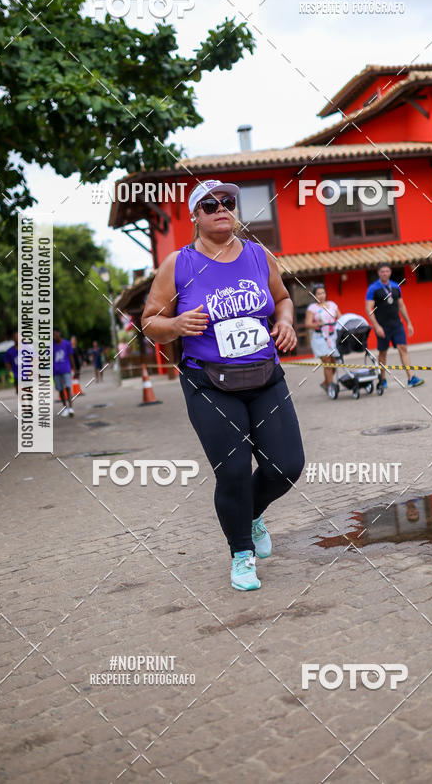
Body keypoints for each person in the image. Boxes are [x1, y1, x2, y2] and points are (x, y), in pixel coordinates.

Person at [141, 178, 305, 592]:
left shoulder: (258, 255)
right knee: (233, 472)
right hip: (209, 382)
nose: (221, 209)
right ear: (195, 217)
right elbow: (150, 321)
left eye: (227, 202)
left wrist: (285, 322)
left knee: (286, 467)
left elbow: (282, 298)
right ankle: (241, 553)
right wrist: (176, 324)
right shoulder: (178, 264)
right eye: (210, 205)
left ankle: (251, 514)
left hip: (264, 375)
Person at [365, 262, 424, 389]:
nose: (385, 273)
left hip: (397, 325)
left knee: (403, 348)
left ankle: (411, 378)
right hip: (382, 326)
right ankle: (382, 379)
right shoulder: (373, 288)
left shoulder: (395, 286)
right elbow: (369, 309)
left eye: (387, 271)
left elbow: (401, 306)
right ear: (378, 273)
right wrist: (377, 326)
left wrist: (409, 323)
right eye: (382, 271)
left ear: (390, 272)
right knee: (383, 353)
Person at [304, 284, 340, 392]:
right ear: (314, 295)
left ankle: (326, 383)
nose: (321, 295)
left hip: (333, 337)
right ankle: (331, 388)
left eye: (323, 293)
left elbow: (340, 317)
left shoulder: (332, 305)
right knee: (327, 363)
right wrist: (318, 324)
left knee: (333, 363)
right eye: (318, 294)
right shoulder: (312, 308)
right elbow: (308, 324)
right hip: (320, 338)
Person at [53, 328, 74, 417]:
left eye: (55, 334)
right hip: (56, 371)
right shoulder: (51, 346)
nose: (54, 336)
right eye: (52, 335)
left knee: (68, 388)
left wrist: (74, 368)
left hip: (66, 369)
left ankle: (71, 408)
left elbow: (71, 356)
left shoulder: (67, 344)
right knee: (60, 390)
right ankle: (65, 408)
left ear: (59, 333)